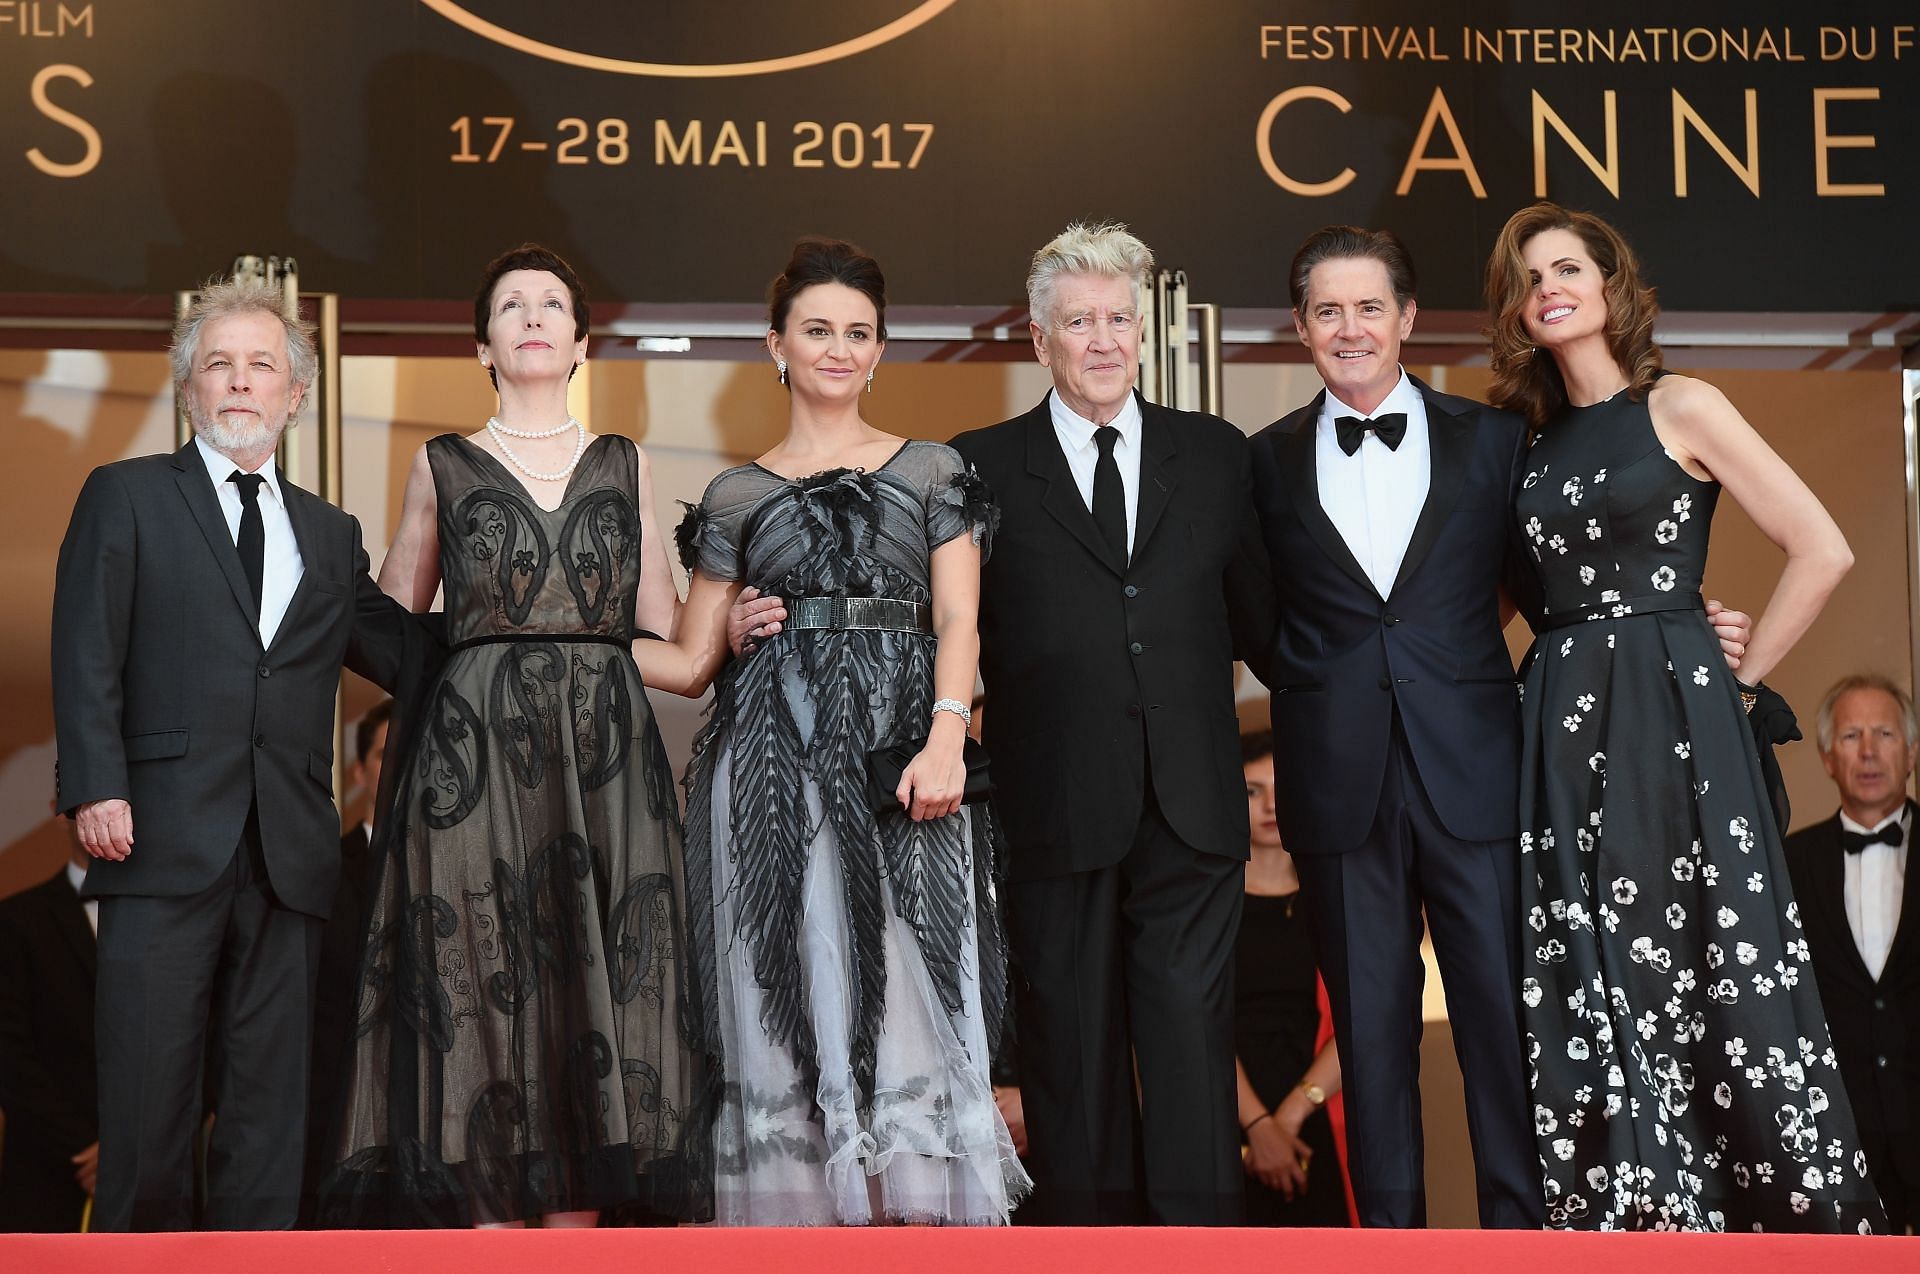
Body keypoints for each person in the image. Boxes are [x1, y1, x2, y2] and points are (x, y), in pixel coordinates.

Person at [1488, 200, 1880, 1231]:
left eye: (1566, 268)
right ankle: (1634, 1220)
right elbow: (1482, 608)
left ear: (1612, 286)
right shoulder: (1519, 445)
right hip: (1560, 727)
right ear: (1517, 312)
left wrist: (1738, 677)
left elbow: (1822, 545)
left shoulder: (1684, 406)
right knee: (1589, 963)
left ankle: (1772, 1222)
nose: (1548, 289)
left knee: (1709, 951)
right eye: (1529, 280)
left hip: (1676, 717)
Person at [323, 245, 707, 1227]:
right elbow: (400, 629)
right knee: (486, 988)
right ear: (483, 341)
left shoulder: (626, 460)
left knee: (599, 987)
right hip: (475, 768)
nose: (532, 316)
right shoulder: (441, 461)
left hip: (607, 764)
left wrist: (729, 623)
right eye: (510, 304)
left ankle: (578, 1234)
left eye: (551, 304)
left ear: (580, 339)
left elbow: (659, 632)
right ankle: (489, 1233)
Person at [642, 236, 1022, 1226]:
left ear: (881, 347)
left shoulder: (935, 470)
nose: (838, 348)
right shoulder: (734, 492)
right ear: (777, 344)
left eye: (858, 331)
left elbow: (961, 621)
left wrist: (948, 734)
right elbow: (686, 660)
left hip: (908, 763)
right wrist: (555, 633)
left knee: (909, 986)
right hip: (768, 772)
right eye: (818, 329)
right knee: (785, 989)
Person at [50, 278, 411, 1230]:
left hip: (288, 853)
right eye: (219, 364)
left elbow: (404, 651)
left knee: (269, 1119)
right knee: (148, 1104)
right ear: (189, 390)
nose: (240, 382)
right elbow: (85, 646)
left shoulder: (329, 534)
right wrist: (95, 786)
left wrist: (536, 639)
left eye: (263, 366)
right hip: (155, 836)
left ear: (296, 395)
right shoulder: (125, 496)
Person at [939, 222, 1273, 1224]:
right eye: (1077, 321)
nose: (1101, 339)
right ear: (1038, 340)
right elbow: (941, 627)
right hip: (1053, 807)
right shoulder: (977, 465)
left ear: (1144, 329)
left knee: (1189, 1062)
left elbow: (1269, 625)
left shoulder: (1214, 455)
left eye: (1118, 318)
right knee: (1071, 1070)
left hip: (1193, 804)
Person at [1784, 675, 1920, 1233]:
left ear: (1911, 753)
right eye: (1851, 736)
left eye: (1885, 734)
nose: (1868, 752)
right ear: (1827, 758)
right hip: (1837, 1144)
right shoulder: (1787, 864)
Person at [1234, 731, 1350, 1227]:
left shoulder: (1334, 899)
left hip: (1312, 1112)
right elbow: (1195, 1022)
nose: (1271, 804)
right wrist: (1258, 1126)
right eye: (1253, 789)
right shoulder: (1206, 906)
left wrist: (1290, 1116)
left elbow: (1363, 1019)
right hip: (1222, 1112)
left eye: (1282, 786)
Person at [299, 699, 389, 1225]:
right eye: (385, 753)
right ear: (358, 772)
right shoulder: (320, 872)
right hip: (333, 1124)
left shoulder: (467, 872)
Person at [0, 805, 98, 1231]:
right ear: (63, 812)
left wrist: (134, 1148)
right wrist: (89, 1151)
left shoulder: (180, 923)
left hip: (157, 1174)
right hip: (45, 1172)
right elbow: (8, 1055)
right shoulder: (15, 920)